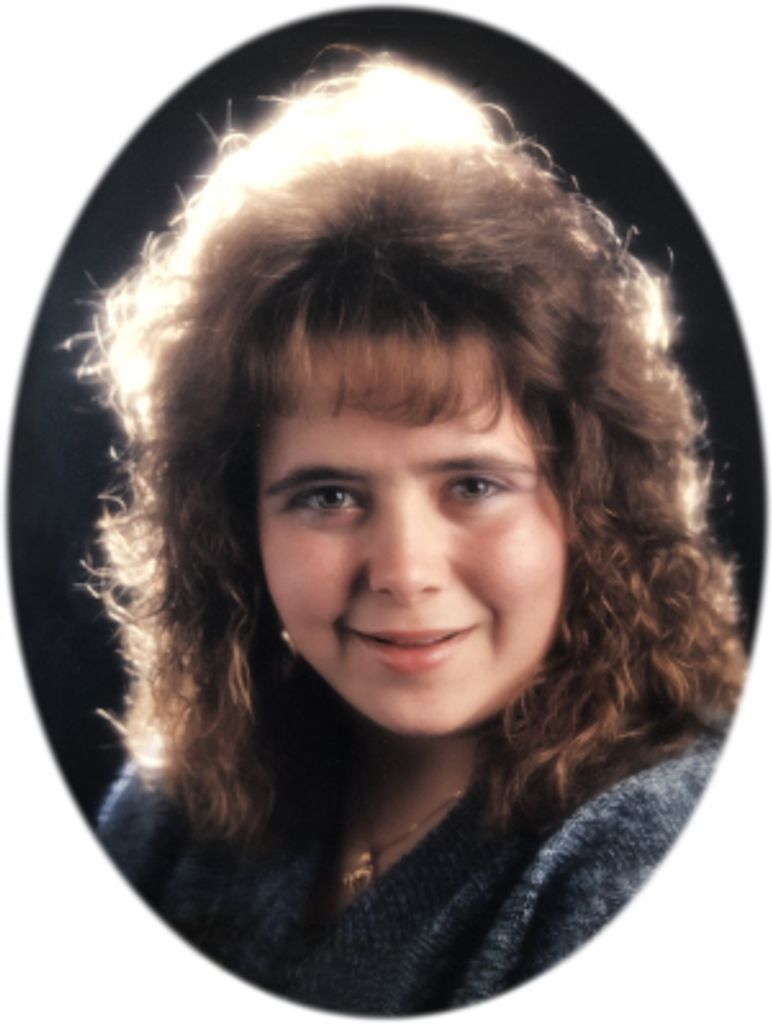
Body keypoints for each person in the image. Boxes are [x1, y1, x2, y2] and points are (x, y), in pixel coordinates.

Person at [92, 56, 745, 1013]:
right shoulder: (173, 806)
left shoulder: (650, 854)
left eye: (474, 485)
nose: (403, 571)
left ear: (594, 503)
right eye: (327, 496)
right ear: (235, 527)